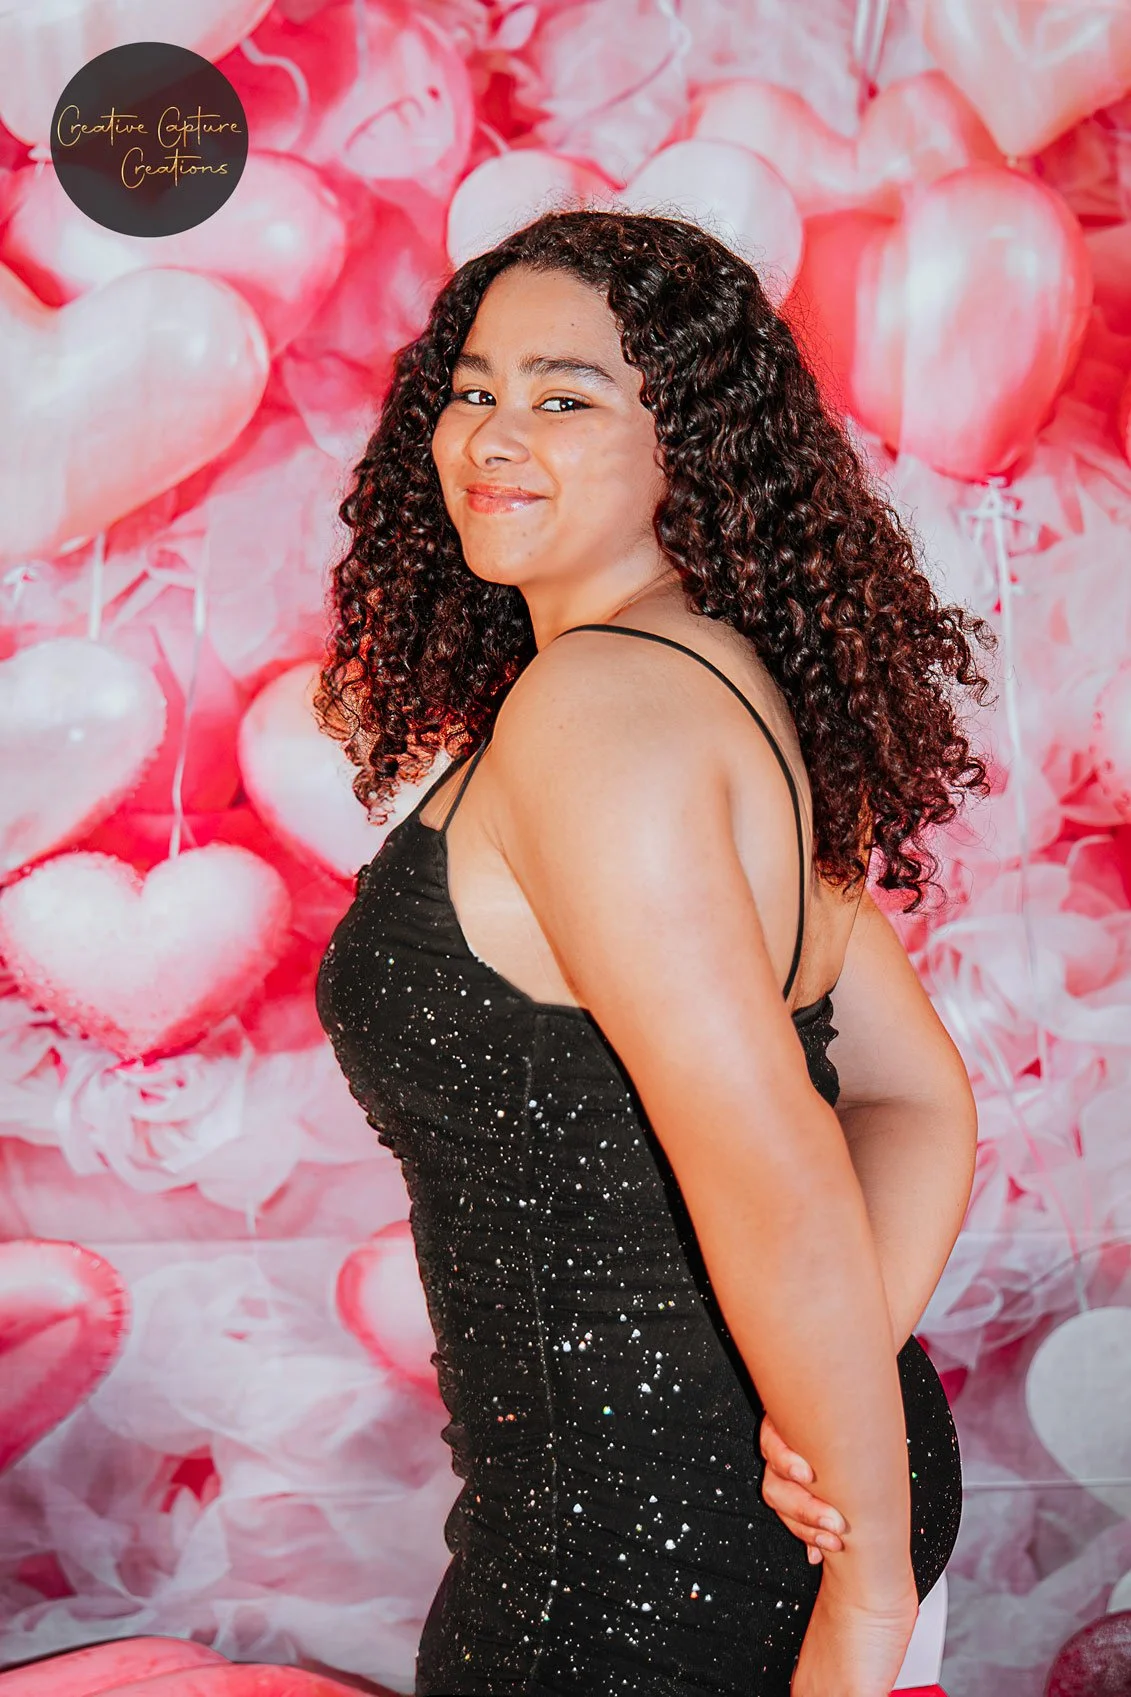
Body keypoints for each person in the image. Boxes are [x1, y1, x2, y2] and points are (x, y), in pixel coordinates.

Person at [314, 208, 991, 1697]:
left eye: (564, 397)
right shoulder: (703, 673)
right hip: (757, 1495)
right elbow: (909, 1096)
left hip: (639, 1568)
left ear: (691, 443)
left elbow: (774, 1163)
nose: (492, 435)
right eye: (473, 388)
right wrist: (827, 1404)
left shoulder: (602, 714)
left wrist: (864, 1592)